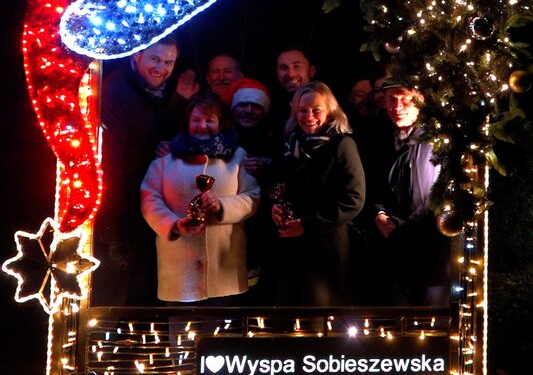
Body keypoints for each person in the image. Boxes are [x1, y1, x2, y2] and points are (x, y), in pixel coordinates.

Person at [93, 34, 198, 306]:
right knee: (119, 290)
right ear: (136, 55)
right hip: (123, 208)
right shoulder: (115, 92)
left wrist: (177, 103)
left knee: (146, 290)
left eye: (168, 62)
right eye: (154, 59)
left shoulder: (164, 89)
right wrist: (114, 225)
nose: (160, 67)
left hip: (154, 205)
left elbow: (157, 129)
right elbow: (113, 162)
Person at [140, 91, 259, 307]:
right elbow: (149, 199)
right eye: (196, 120)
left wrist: (222, 206)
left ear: (220, 123)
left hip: (224, 271)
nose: (202, 126)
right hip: (178, 272)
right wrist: (174, 225)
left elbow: (252, 199)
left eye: (209, 120)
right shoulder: (165, 159)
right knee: (181, 339)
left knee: (220, 339)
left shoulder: (239, 157)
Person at [271, 81, 365, 306]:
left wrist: (307, 224)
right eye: (302, 110)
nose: (308, 116)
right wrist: (276, 207)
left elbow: (354, 199)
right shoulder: (290, 144)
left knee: (321, 320)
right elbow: (280, 186)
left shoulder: (342, 145)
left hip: (327, 247)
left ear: (330, 111)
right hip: (291, 247)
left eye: (316, 110)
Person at [363, 81, 451, 306]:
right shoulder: (377, 139)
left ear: (419, 99)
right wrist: (378, 215)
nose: (397, 106)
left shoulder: (437, 138)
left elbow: (439, 190)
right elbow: (370, 184)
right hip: (391, 240)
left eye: (404, 99)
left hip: (429, 240)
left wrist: (409, 225)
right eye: (391, 100)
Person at [224, 78, 283, 303]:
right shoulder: (220, 139)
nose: (248, 110)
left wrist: (265, 172)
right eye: (243, 105)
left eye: (255, 106)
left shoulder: (276, 142)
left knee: (256, 286)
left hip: (262, 229)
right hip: (227, 225)